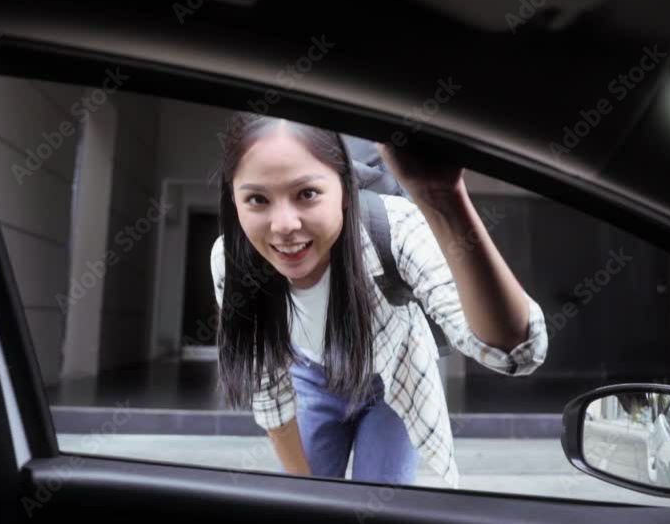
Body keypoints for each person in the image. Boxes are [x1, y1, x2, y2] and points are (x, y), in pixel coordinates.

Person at [210, 112, 549, 489]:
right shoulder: (231, 262)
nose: (285, 224)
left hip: (391, 380)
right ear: (233, 199)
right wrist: (307, 495)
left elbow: (515, 351)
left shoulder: (395, 227)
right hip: (308, 378)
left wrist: (444, 200)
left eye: (307, 194)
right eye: (257, 198)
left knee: (377, 501)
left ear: (344, 189)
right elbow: (269, 391)